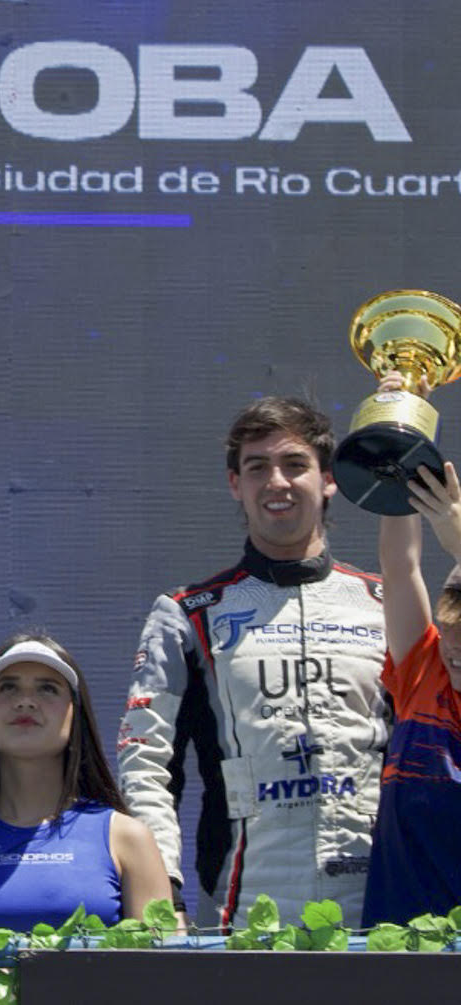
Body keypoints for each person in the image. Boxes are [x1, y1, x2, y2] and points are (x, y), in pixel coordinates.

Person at [117, 395, 387, 928]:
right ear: (234, 484)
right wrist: (161, 892)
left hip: (379, 912)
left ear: (328, 479)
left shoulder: (385, 602)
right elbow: (146, 764)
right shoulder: (187, 614)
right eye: (257, 467)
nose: (276, 482)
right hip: (242, 918)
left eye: (295, 464)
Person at [0, 633, 169, 930]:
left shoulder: (128, 839)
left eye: (47, 688)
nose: (25, 702)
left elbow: (162, 958)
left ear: (75, 716)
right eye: (8, 687)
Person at [364, 442, 461, 925]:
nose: (454, 647)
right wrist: (398, 456)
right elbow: (400, 568)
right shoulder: (425, 670)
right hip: (397, 943)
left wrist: (457, 535)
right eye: (449, 626)